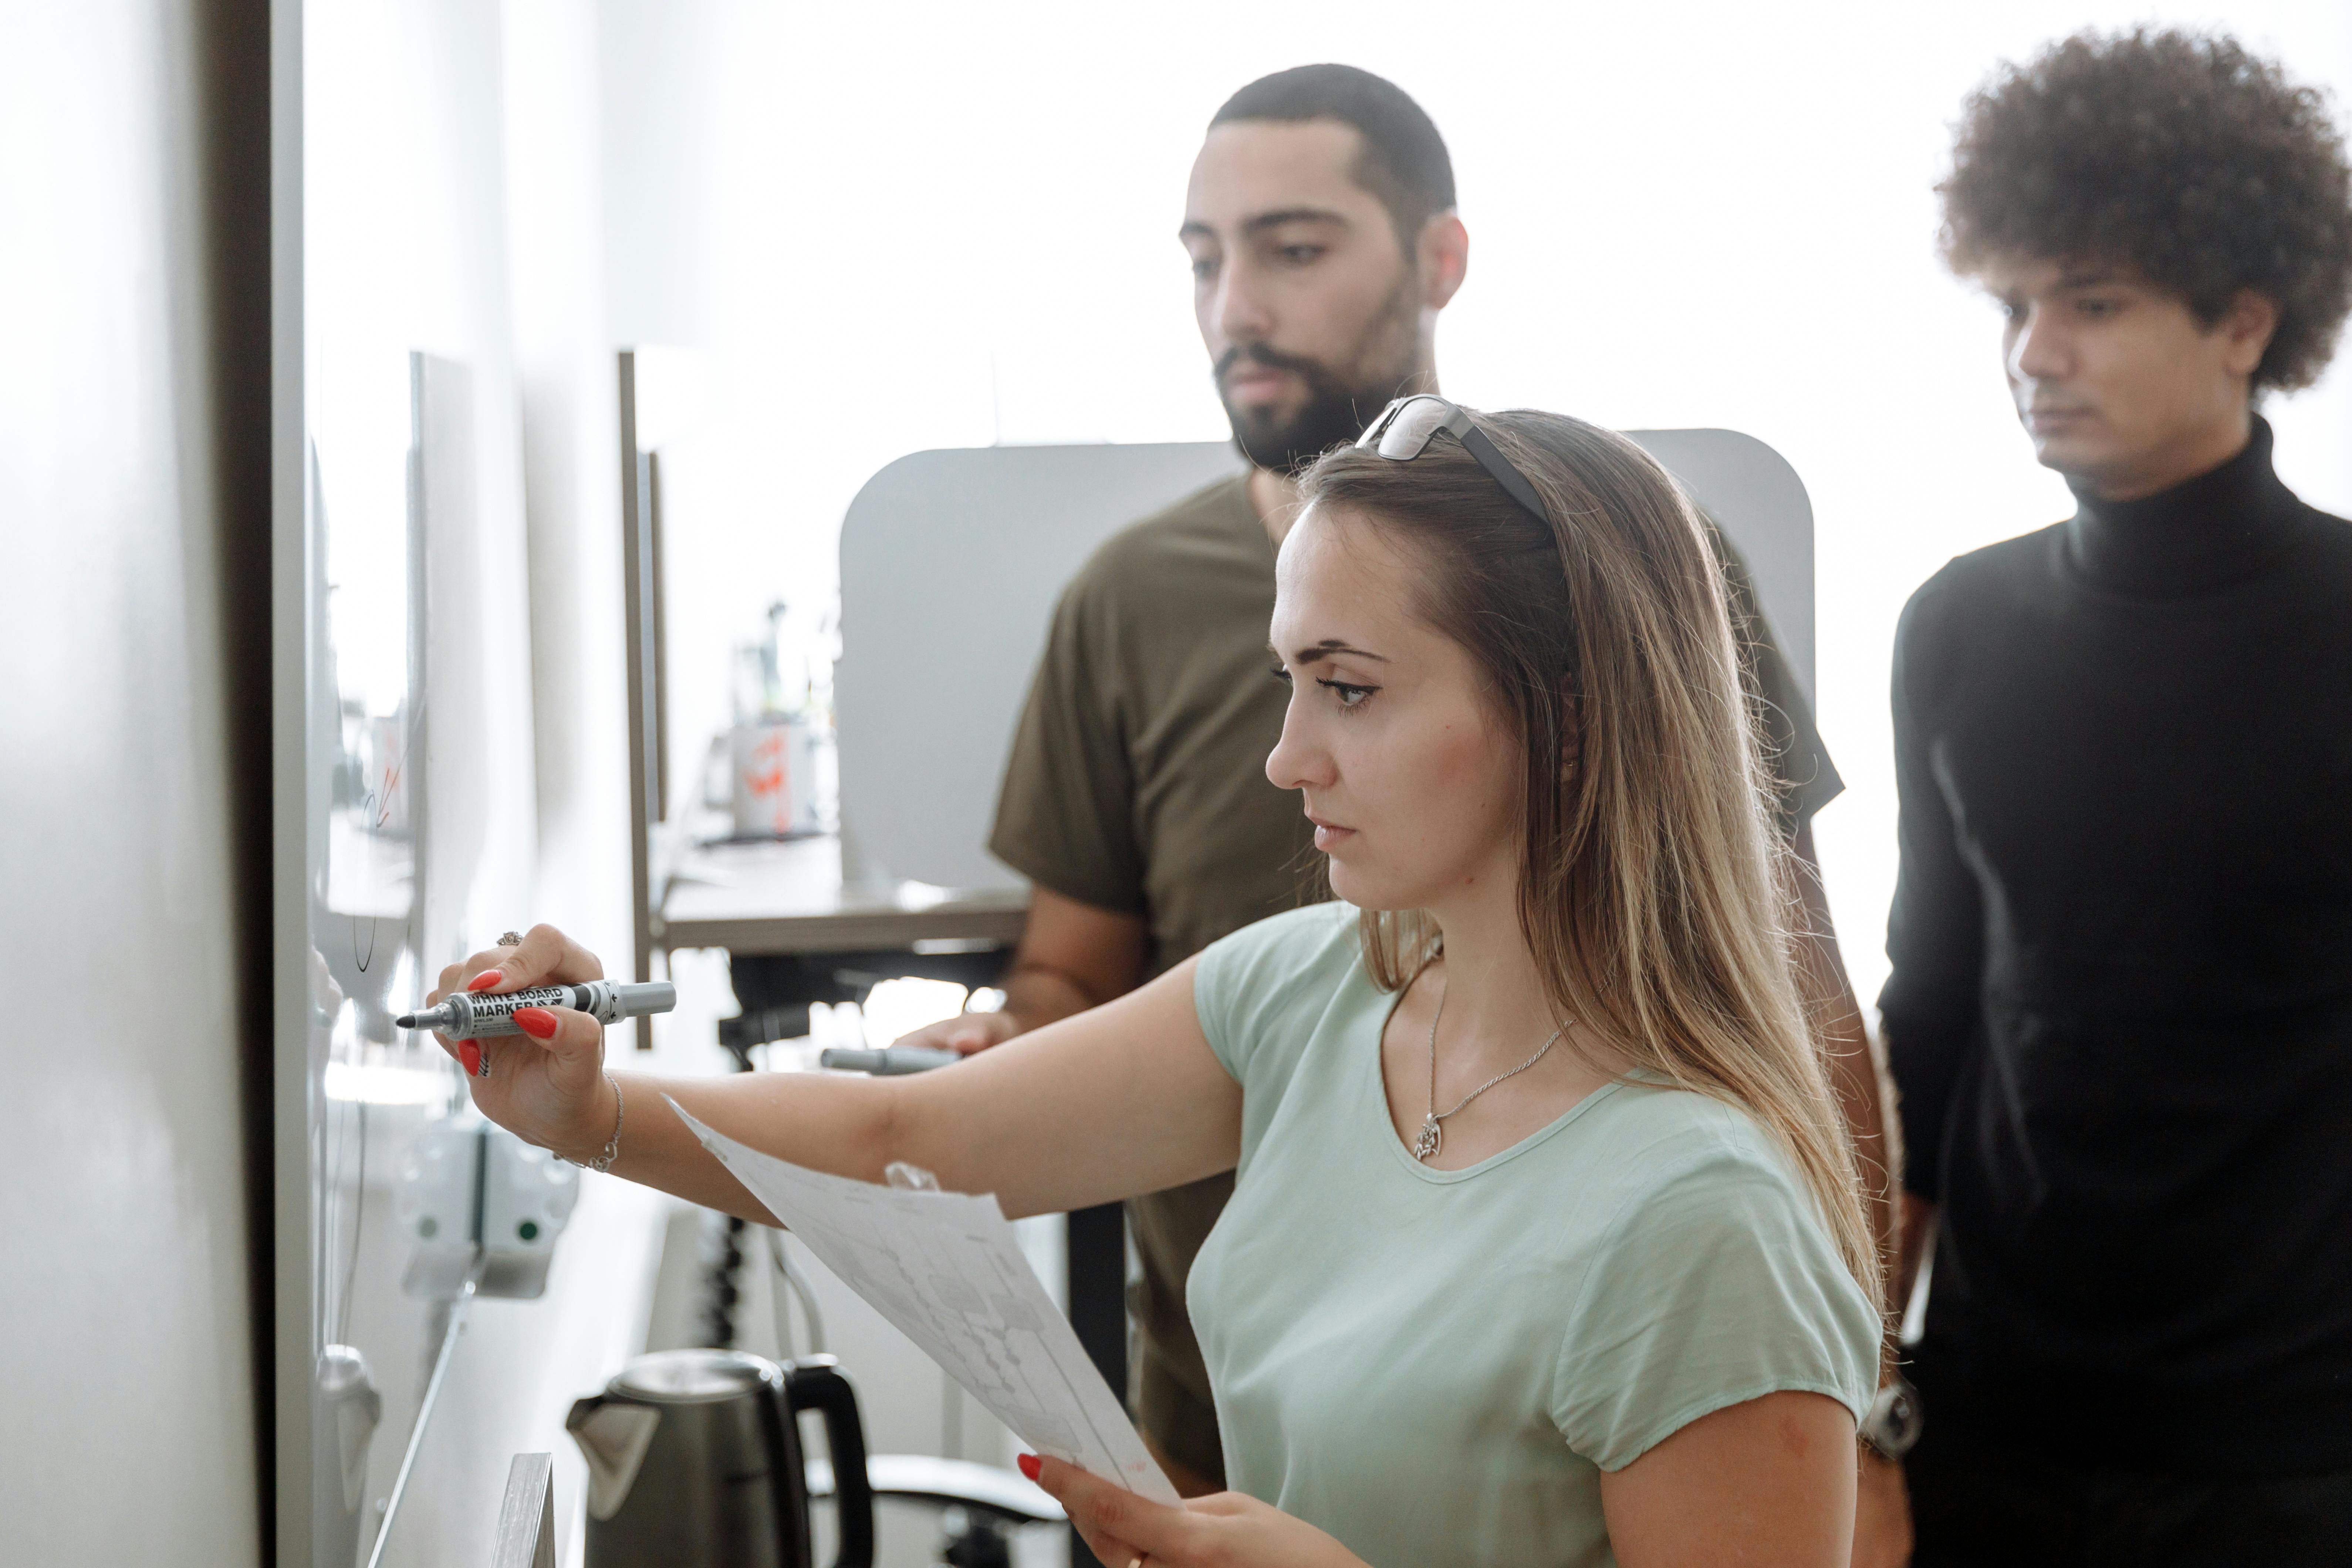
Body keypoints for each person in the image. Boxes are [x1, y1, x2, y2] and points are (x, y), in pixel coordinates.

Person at [438, 403, 1884, 1567]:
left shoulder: (1706, 1222)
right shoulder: (1311, 993)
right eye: (1288, 682)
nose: (1287, 757)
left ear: (1562, 720)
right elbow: (912, 1145)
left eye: (1352, 689)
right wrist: (592, 1108)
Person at [893, 63, 1907, 1534]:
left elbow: (1792, 980)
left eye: (1293, 248)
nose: (1238, 303)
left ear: (1439, 258)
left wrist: (1852, 1410)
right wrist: (1003, 1052)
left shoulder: (1617, 580)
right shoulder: (1127, 602)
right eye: (1204, 257)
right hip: (1213, 1403)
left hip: (1554, 1407)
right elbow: (1072, 968)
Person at [1883, 28, 2352, 1564]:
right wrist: (1862, 1362)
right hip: (1995, 1429)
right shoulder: (1958, 624)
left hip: (2291, 1457)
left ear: (2242, 318)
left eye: (2090, 304)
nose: (2032, 353)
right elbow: (1935, 1015)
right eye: (2014, 305)